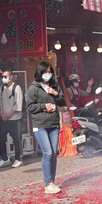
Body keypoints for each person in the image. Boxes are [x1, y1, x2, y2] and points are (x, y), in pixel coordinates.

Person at [26, 61, 67, 194]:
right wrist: (44, 106)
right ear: (40, 72)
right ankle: (48, 183)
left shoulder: (55, 85)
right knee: (48, 152)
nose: (48, 74)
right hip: (40, 125)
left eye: (50, 72)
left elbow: (62, 102)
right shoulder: (33, 88)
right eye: (45, 72)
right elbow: (30, 107)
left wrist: (56, 94)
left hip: (54, 124)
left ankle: (52, 182)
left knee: (54, 153)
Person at [0, 70, 24, 169]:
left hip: (15, 119)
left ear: (11, 77)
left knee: (16, 139)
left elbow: (18, 105)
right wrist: (2, 114)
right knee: (0, 137)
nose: (3, 78)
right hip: (4, 119)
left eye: (5, 76)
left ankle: (18, 159)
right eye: (2, 76)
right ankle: (4, 158)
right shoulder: (2, 87)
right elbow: (0, 101)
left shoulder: (17, 88)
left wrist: (8, 115)